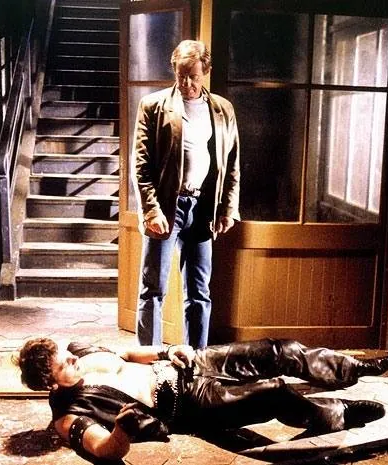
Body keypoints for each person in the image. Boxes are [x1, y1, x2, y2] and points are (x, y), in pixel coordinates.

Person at [17, 337, 388, 462]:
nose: (72, 359)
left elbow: (129, 354)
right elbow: (103, 450)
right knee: (274, 391)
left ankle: (350, 368)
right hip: (187, 401)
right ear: (51, 384)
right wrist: (122, 429)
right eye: (63, 365)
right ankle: (334, 415)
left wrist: (167, 350)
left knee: (279, 351)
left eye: (66, 354)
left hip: (191, 364)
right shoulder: (69, 416)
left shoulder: (82, 353)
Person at [131, 39, 240, 349]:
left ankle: (195, 361)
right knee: (153, 289)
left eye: (193, 76)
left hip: (203, 208)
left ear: (206, 72)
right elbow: (140, 165)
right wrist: (151, 210)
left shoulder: (223, 109)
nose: (187, 83)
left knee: (199, 292)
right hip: (167, 207)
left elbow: (232, 164)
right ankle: (150, 362)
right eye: (181, 75)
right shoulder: (153, 106)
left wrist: (227, 209)